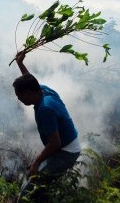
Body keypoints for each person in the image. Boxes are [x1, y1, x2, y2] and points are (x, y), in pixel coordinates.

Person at [13, 51, 81, 202]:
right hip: (66, 144)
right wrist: (20, 64)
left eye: (20, 96)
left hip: (66, 151)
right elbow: (30, 80)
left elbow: (55, 144)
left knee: (27, 192)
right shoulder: (44, 90)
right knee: (40, 181)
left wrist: (37, 161)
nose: (19, 100)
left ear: (29, 93)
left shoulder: (45, 109)